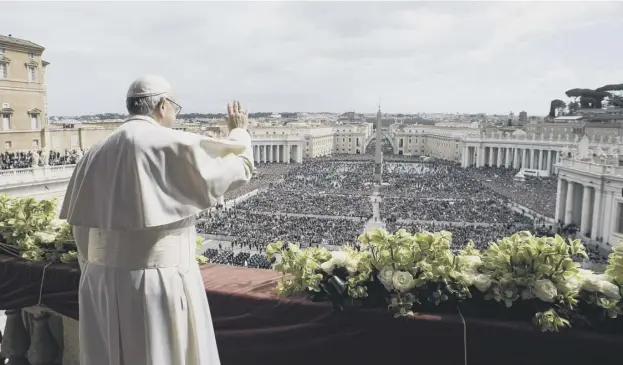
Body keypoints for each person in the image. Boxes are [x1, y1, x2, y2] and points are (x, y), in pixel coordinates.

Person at [59, 75, 255, 365]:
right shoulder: (171, 143)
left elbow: (81, 230)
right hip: (156, 281)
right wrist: (239, 132)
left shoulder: (94, 152)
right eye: (176, 107)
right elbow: (239, 169)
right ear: (163, 106)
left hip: (98, 281)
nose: (176, 115)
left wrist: (100, 270)